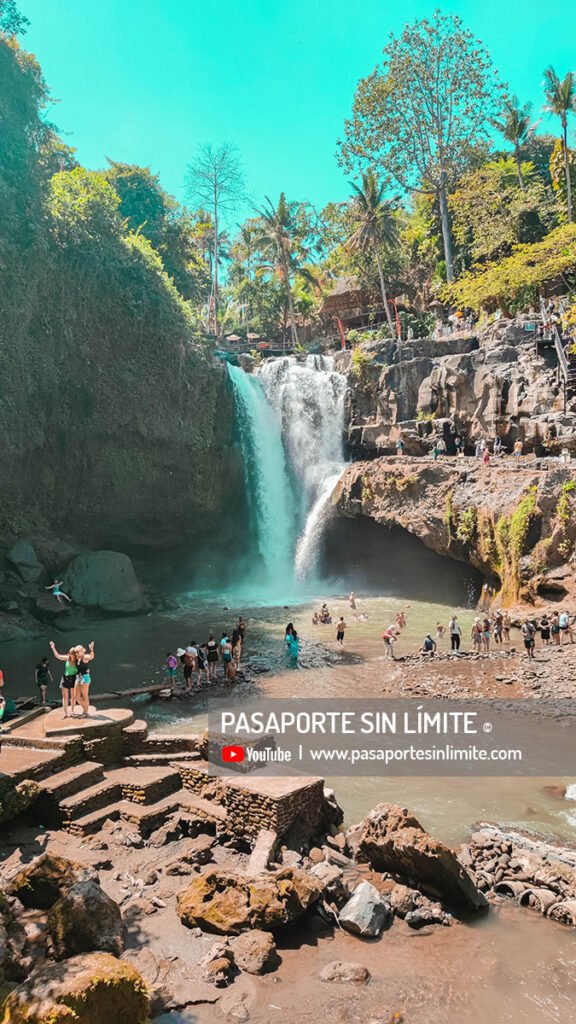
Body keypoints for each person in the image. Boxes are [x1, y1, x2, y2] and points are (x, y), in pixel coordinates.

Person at [49, 642, 78, 719]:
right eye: (70, 653)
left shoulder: (77, 661)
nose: (70, 655)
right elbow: (57, 656)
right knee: (65, 696)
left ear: (75, 655)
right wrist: (53, 647)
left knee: (73, 696)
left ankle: (72, 711)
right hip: (65, 678)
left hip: (73, 678)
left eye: (72, 654)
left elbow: (86, 660)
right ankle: (65, 713)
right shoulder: (67, 658)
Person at [74, 642, 95, 718]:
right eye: (75, 652)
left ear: (82, 651)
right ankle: (85, 710)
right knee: (76, 696)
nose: (76, 653)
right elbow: (63, 657)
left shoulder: (84, 657)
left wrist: (91, 649)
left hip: (85, 678)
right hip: (78, 678)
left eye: (77, 652)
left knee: (85, 696)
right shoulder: (77, 658)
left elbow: (91, 657)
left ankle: (85, 712)